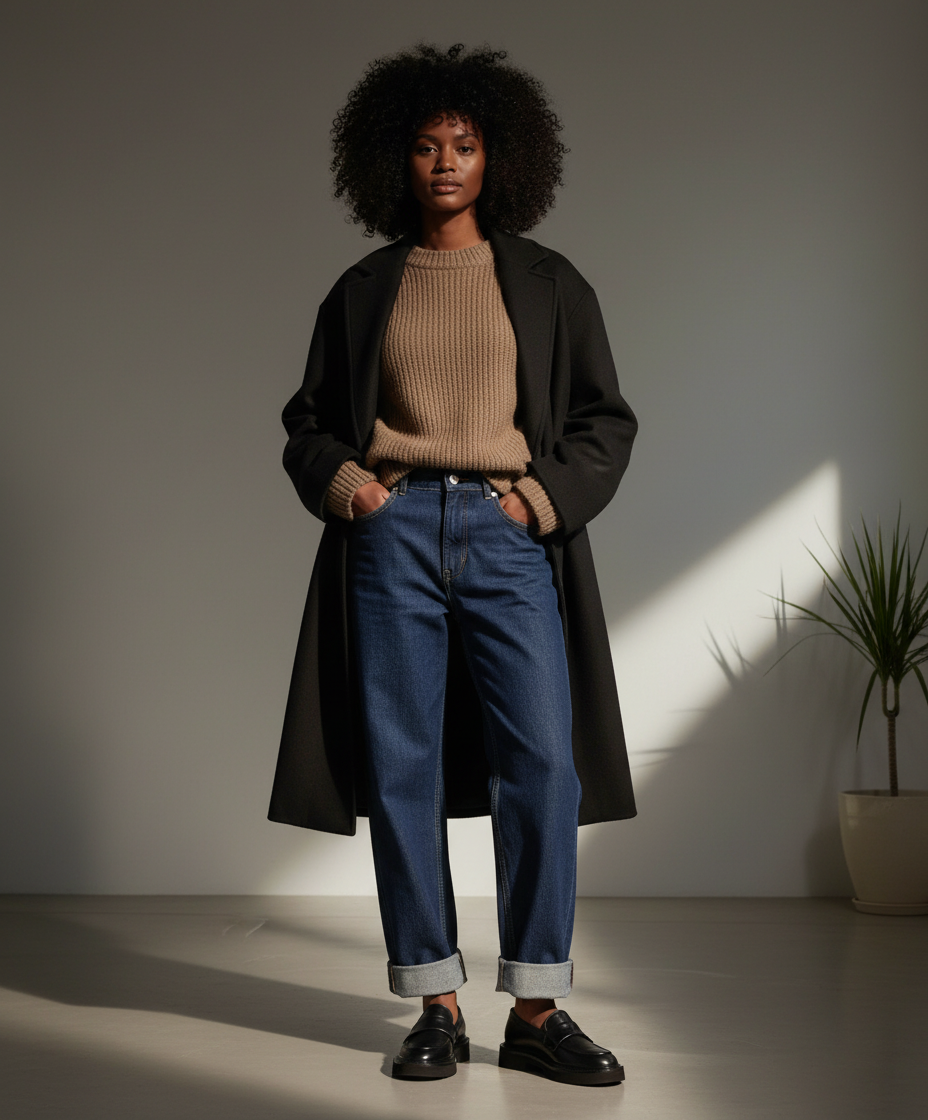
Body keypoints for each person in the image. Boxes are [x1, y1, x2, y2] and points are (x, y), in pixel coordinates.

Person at [268, 43, 638, 1086]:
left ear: (498, 156)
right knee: (402, 768)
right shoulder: (361, 288)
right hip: (390, 538)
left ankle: (534, 1005)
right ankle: (433, 999)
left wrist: (539, 499)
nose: (444, 163)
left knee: (543, 767)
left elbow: (605, 420)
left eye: (464, 145)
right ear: (394, 160)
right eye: (426, 146)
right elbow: (306, 424)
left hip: (508, 533)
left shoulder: (548, 282)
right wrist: (353, 489)